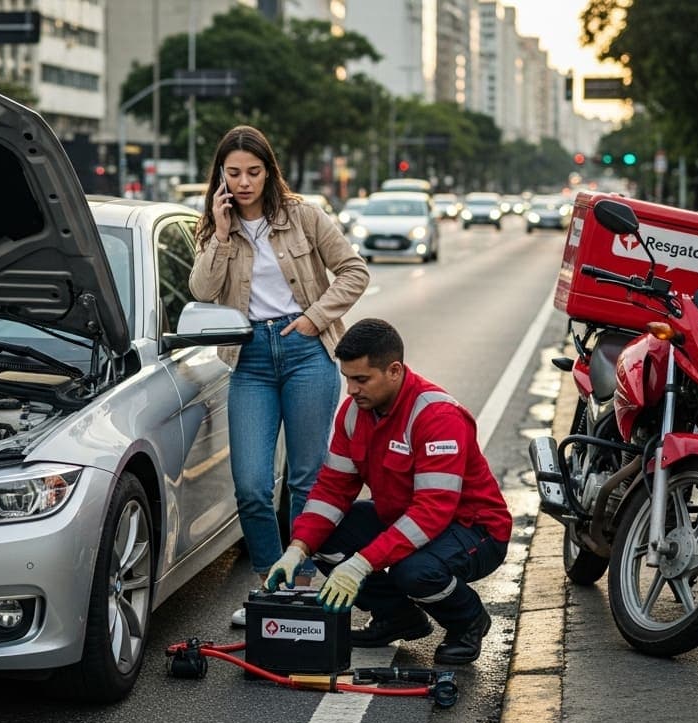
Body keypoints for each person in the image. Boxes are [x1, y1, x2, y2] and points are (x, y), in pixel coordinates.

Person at [190, 125, 370, 627]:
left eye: (253, 171)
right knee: (251, 484)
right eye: (233, 173)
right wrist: (221, 234)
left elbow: (354, 271)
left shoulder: (304, 216)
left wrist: (314, 318)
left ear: (269, 172)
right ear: (220, 176)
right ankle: (272, 584)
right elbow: (202, 290)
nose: (244, 182)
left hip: (305, 352)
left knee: (306, 479)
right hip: (249, 359)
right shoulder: (216, 227)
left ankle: (305, 583)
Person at [263, 319, 512, 664]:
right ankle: (398, 617)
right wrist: (297, 548)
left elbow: (431, 513)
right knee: (323, 536)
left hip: (473, 529)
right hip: (402, 517)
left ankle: (467, 620)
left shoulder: (437, 416)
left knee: (413, 572)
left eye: (361, 379)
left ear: (394, 371)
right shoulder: (354, 414)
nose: (351, 390)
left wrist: (361, 564)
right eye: (347, 378)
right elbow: (333, 489)